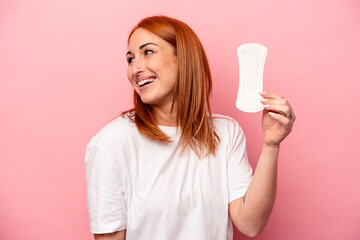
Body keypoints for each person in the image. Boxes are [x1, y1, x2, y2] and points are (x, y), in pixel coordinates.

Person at [85, 15, 295, 240]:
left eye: (148, 52)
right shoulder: (110, 143)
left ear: (183, 58)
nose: (135, 68)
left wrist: (271, 145)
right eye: (129, 59)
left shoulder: (226, 133)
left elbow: (250, 224)